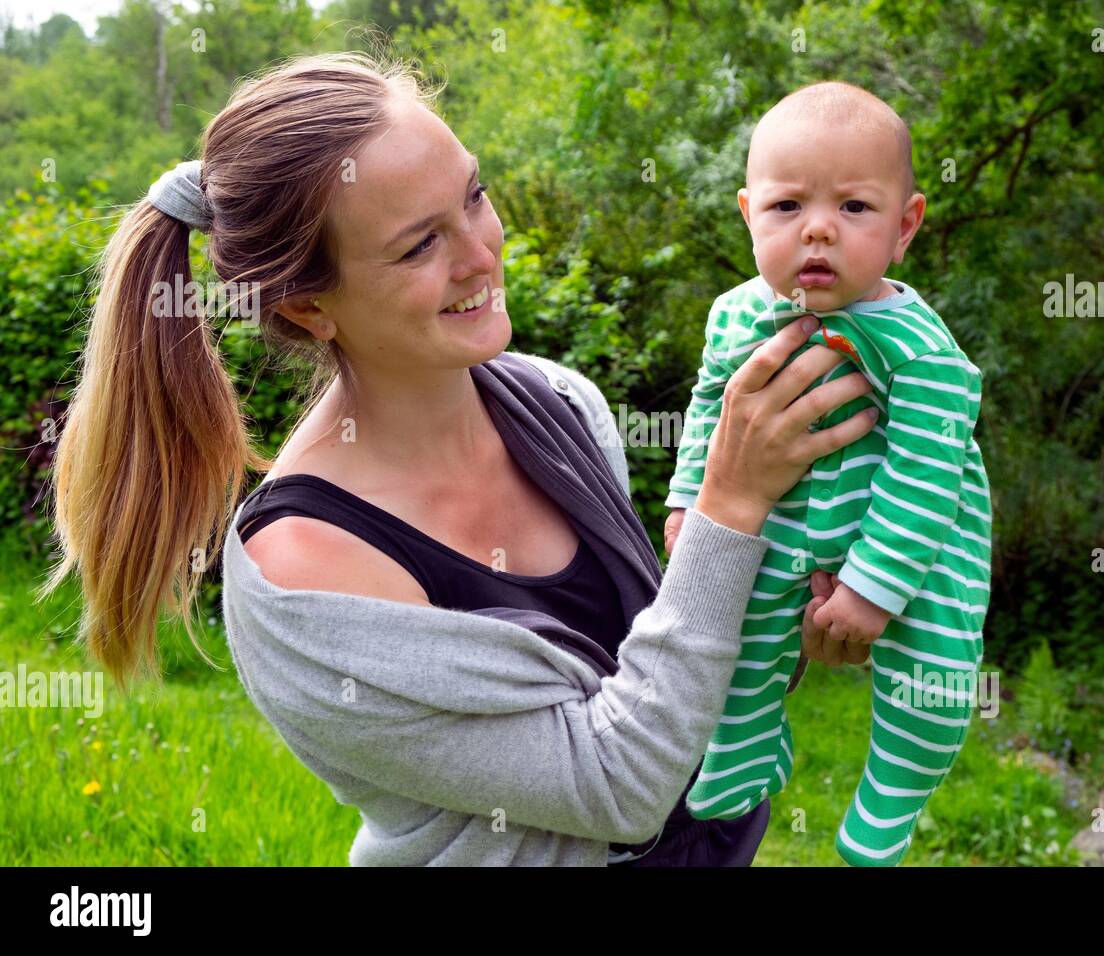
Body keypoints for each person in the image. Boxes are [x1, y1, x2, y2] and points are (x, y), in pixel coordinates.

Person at [41, 53, 878, 866]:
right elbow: (621, 788)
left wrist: (794, 617)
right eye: (417, 247)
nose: (480, 253)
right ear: (309, 308)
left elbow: (672, 684)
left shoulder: (562, 406)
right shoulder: (305, 573)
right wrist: (730, 506)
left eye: (473, 196)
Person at [663, 81, 992, 866]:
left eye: (853, 208)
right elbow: (711, 405)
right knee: (735, 636)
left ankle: (892, 797)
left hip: (913, 534)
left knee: (940, 675)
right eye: (785, 209)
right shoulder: (736, 316)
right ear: (748, 215)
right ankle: (742, 747)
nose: (816, 229)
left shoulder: (918, 344)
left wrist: (875, 589)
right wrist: (687, 502)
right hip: (781, 514)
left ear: (905, 227)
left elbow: (927, 467)